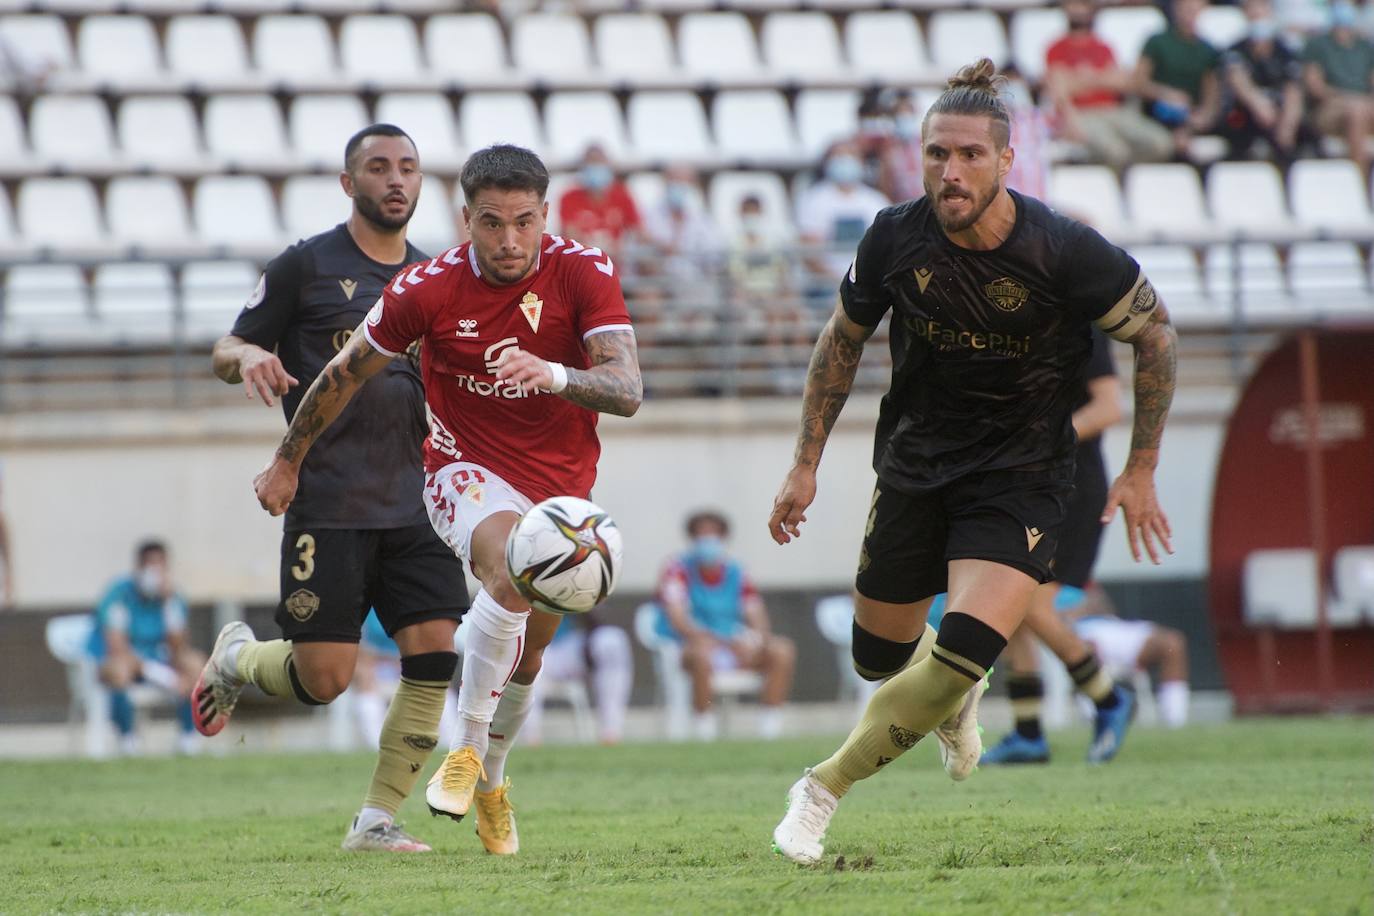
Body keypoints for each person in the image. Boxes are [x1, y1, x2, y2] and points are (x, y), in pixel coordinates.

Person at [767, 58, 1178, 866]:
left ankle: (819, 791)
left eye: (969, 157)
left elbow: (1156, 334)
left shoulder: (1063, 249)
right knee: (876, 657)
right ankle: (955, 699)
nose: (950, 173)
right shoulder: (893, 234)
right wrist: (804, 463)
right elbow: (840, 343)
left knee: (958, 653)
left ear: (1006, 159)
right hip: (915, 468)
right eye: (936, 155)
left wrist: (1141, 467)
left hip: (1024, 478)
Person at [251, 144, 642, 857]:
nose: (509, 240)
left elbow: (627, 389)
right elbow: (343, 373)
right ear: (466, 219)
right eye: (491, 223)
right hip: (462, 472)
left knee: (528, 658)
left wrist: (552, 373)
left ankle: (492, 777)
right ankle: (464, 752)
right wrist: (286, 460)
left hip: (560, 486)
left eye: (524, 222)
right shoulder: (425, 289)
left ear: (544, 215)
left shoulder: (584, 271)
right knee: (509, 570)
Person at [192, 124, 470, 854]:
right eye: (378, 168)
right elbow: (225, 347)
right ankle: (237, 661)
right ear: (349, 184)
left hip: (418, 502)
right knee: (324, 680)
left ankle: (377, 818)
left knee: (437, 653)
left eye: (408, 168)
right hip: (332, 502)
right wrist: (251, 352)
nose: (396, 180)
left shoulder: (435, 276)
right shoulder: (305, 267)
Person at [981, 328, 1139, 765]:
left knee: (1030, 605)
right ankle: (1029, 732)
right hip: (1024, 489)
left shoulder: (1079, 326)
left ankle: (1108, 698)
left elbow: (1108, 407)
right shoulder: (1008, 323)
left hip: (1071, 489)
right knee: (1010, 609)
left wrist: (1041, 441)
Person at [657, 510, 796, 741]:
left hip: (732, 645)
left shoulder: (736, 571)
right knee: (702, 654)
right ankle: (705, 730)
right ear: (692, 539)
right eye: (702, 534)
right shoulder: (677, 570)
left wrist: (755, 640)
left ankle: (769, 728)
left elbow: (756, 614)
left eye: (713, 534)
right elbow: (677, 618)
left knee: (782, 650)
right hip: (693, 646)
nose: (708, 540)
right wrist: (722, 641)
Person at [87, 540, 204, 755]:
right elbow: (117, 647)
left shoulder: (173, 597)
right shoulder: (119, 593)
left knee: (194, 663)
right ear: (138, 567)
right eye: (150, 565)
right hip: (126, 664)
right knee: (119, 669)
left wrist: (168, 605)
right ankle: (128, 739)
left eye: (160, 565)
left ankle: (188, 738)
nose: (155, 571)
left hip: (159, 660)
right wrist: (160, 675)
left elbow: (178, 649)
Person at [1043, 0, 1173, 169]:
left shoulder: (1104, 47)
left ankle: (1133, 180)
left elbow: (1122, 82)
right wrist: (1102, 78)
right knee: (1115, 152)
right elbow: (1059, 87)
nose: (1079, 10)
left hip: (1113, 110)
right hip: (1084, 114)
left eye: (1083, 5)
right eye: (1074, 4)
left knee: (1161, 143)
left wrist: (1080, 80)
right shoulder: (1056, 48)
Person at [1062, 584, 1192, 729]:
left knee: (1172, 643)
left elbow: (1103, 606)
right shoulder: (1039, 579)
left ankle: (1175, 720)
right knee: (1086, 648)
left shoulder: (1081, 574)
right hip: (1079, 631)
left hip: (1111, 626)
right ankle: (1096, 720)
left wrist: (1093, 604)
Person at [1220, 0, 1320, 165]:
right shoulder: (1236, 49)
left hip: (1280, 114)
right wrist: (1259, 104)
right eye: (1251, 8)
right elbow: (1238, 79)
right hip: (1247, 115)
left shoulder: (1284, 50)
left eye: (1261, 7)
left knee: (1309, 137)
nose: (1257, 13)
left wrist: (1288, 124)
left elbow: (1293, 88)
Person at [796, 139, 890, 306]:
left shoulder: (875, 201)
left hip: (868, 284)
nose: (845, 161)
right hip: (826, 285)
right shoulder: (815, 200)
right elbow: (810, 255)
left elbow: (886, 250)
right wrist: (843, 284)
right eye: (839, 156)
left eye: (850, 155)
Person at [523, 614, 634, 745]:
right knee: (532, 667)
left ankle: (610, 733)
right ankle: (529, 737)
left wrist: (586, 605)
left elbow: (596, 616)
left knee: (611, 640)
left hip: (569, 645)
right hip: (539, 650)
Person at [1137, 0, 1223, 159]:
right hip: (1158, 113)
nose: (1190, 13)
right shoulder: (1157, 42)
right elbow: (1138, 83)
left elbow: (1211, 92)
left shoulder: (1208, 50)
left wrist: (1203, 117)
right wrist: (1165, 93)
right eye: (1186, 8)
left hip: (1191, 118)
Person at [1302, 0, 1374, 182]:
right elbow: (1315, 87)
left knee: (1360, 110)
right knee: (1356, 112)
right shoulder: (1318, 45)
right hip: (1332, 107)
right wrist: (1349, 98)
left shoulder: (1364, 46)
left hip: (1364, 105)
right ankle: (1360, 182)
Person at [640, 164, 725, 313]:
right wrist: (660, 247)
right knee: (648, 300)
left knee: (705, 300)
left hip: (694, 279)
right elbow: (642, 247)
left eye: (683, 181)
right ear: (666, 182)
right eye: (674, 180)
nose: (678, 186)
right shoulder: (650, 214)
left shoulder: (701, 217)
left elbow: (714, 254)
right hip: (662, 280)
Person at [557, 143, 643, 262]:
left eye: (599, 162)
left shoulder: (622, 195)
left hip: (617, 264)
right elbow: (569, 233)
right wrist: (596, 248)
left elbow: (638, 231)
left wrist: (621, 248)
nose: (595, 167)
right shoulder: (569, 197)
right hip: (583, 262)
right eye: (591, 163)